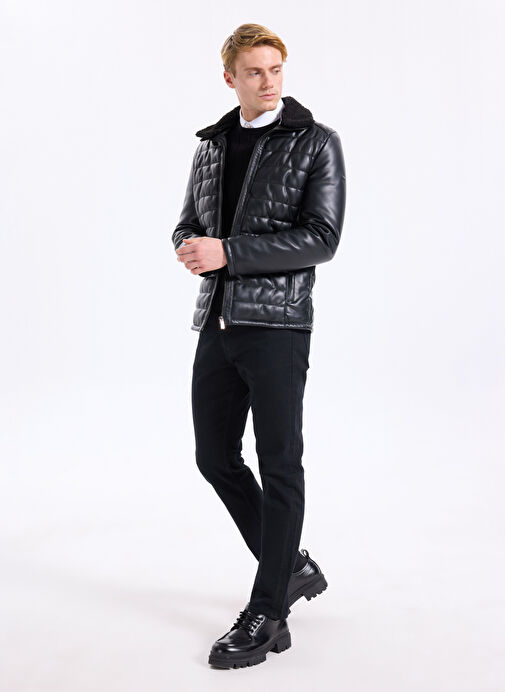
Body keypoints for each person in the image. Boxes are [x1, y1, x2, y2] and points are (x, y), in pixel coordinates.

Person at [172, 23, 346, 669]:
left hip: (277, 328)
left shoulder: (316, 142)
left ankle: (268, 611)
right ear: (231, 78)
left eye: (275, 69)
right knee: (214, 456)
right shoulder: (211, 147)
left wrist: (229, 253)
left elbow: (322, 238)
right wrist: (189, 246)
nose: (268, 81)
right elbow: (188, 222)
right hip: (218, 323)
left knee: (279, 465)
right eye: (254, 71)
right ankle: (291, 567)